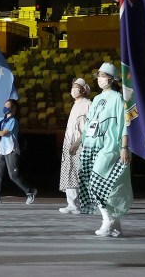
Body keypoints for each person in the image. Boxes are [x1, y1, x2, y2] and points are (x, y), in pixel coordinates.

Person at [76, 63, 132, 238]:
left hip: (110, 146)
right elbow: (88, 127)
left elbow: (125, 125)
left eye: (103, 75)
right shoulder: (97, 99)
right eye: (98, 75)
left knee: (97, 183)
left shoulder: (118, 98)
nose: (99, 79)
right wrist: (79, 142)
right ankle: (116, 225)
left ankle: (107, 220)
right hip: (92, 146)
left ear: (111, 78)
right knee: (97, 183)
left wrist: (124, 146)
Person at [0, 99, 36, 205]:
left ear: (14, 108)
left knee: (13, 176)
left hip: (11, 150)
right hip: (2, 150)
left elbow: (3, 133)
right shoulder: (4, 121)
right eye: (5, 105)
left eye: (8, 106)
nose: (6, 107)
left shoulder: (13, 121)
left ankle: (30, 191)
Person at [59, 77, 91, 214]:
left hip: (81, 143)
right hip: (69, 142)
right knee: (70, 172)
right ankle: (72, 203)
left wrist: (78, 142)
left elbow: (88, 126)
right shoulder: (75, 104)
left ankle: (85, 203)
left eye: (77, 87)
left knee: (81, 173)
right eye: (73, 86)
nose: (74, 89)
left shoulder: (88, 104)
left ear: (83, 89)